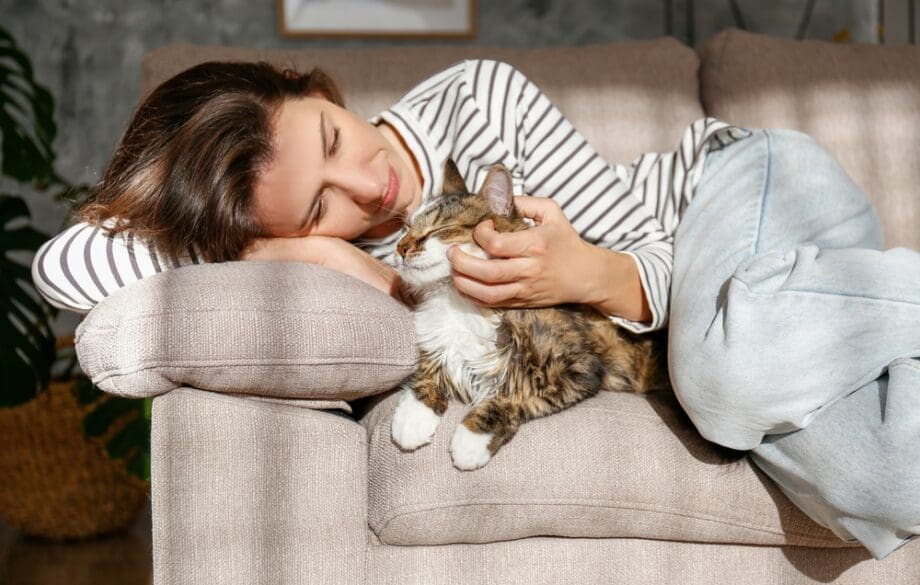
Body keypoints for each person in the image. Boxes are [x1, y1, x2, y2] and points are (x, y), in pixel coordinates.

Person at [32, 59, 919, 559]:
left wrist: (581, 271)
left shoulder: (477, 102)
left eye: (334, 139)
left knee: (729, 374)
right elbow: (65, 268)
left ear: (320, 91)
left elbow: (655, 255)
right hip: (806, 306)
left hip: (737, 198)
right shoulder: (355, 252)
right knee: (877, 482)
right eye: (319, 205)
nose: (367, 184)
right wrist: (289, 248)